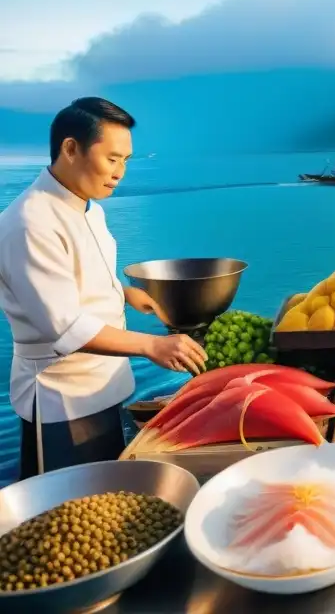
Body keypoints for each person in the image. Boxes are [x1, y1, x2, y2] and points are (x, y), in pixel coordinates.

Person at [0, 97, 207, 481]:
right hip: (64, 401)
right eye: (112, 159)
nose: (120, 172)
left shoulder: (88, 207)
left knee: (109, 494)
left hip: (106, 384)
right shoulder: (30, 223)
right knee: (67, 513)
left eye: (126, 160)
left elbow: (77, 277)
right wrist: (153, 345)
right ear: (70, 148)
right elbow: (64, 326)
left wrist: (125, 293)